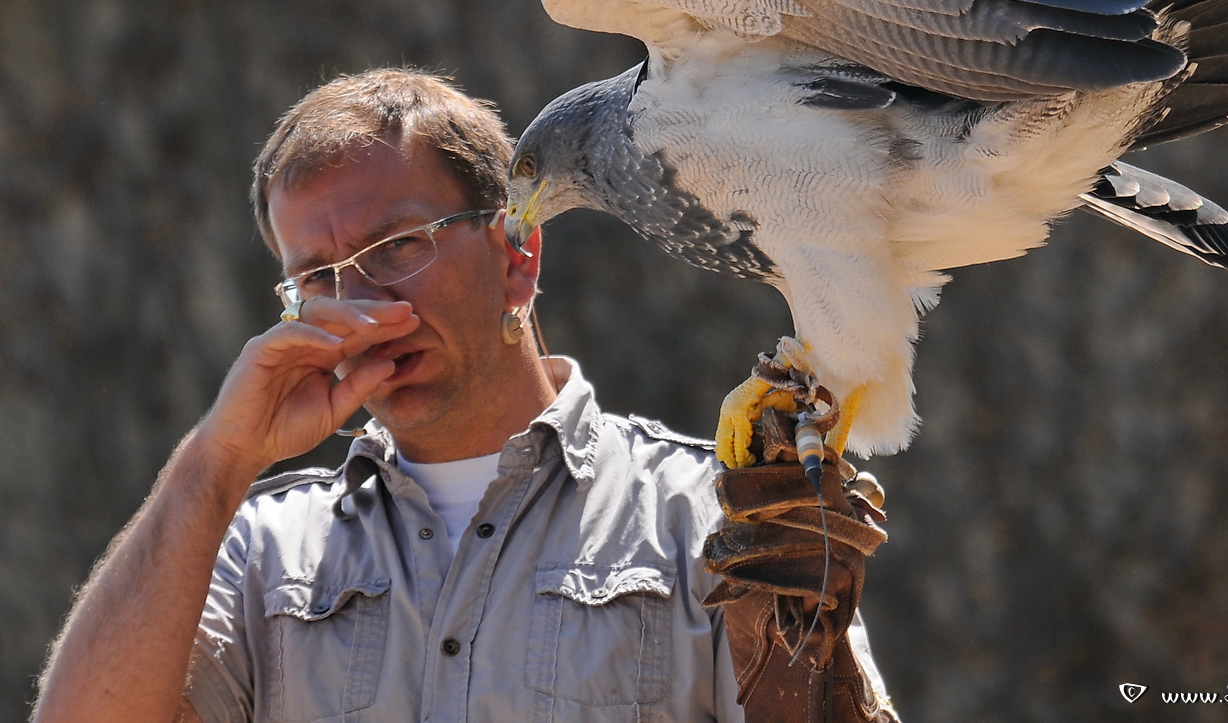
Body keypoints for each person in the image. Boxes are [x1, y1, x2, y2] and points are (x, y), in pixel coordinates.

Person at [32, 68, 893, 723]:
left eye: (398, 245)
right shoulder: (256, 552)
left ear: (517, 253)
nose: (363, 302)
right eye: (318, 278)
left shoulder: (708, 517)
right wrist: (214, 463)